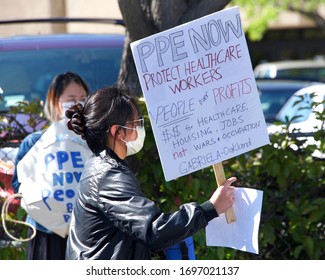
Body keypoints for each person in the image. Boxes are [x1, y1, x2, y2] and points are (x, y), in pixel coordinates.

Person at [64, 84, 236, 260]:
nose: (140, 129)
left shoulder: (101, 167)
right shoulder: (108, 175)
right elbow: (153, 230)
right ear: (118, 132)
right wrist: (210, 208)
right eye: (136, 123)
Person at [11, 72, 89, 260]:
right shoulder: (35, 142)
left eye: (83, 99)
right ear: (55, 102)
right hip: (45, 232)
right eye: (71, 99)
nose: (78, 104)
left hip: (86, 232)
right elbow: (19, 184)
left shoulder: (93, 141)